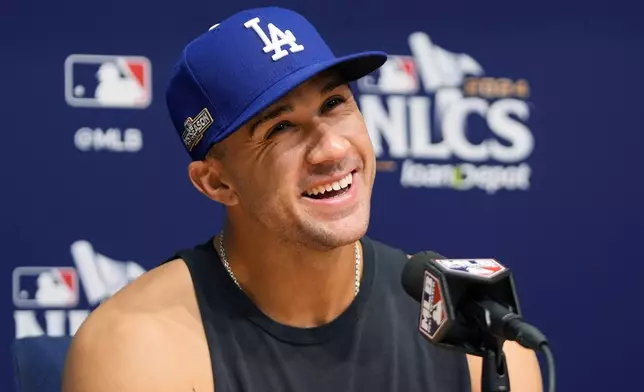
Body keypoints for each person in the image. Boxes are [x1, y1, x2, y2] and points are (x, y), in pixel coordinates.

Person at [62, 6, 542, 392]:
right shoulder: (134, 348)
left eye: (335, 104)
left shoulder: (479, 332)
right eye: (280, 128)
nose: (333, 149)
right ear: (216, 183)